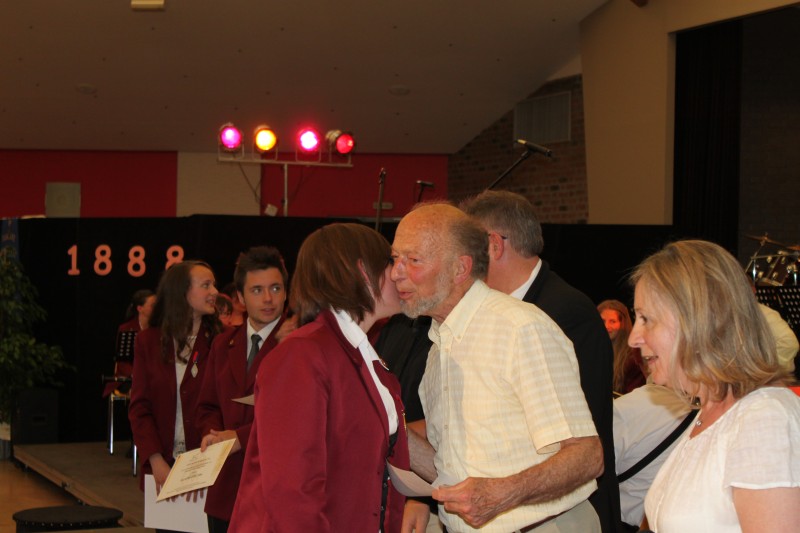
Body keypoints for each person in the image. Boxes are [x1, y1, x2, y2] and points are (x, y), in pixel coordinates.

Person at [392, 203, 602, 532]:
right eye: (394, 259)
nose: (396, 273)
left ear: (460, 268)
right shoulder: (438, 349)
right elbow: (453, 472)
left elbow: (587, 455)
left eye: (412, 260)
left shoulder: (519, 329)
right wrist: (391, 430)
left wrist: (501, 493)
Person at [228, 223, 410, 533]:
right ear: (363, 272)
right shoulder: (303, 354)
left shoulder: (359, 353)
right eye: (390, 263)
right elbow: (292, 493)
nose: (399, 273)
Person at [461, 190, 620, 532]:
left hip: (566, 514)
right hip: (522, 507)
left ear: (493, 245)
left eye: (469, 248)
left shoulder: (565, 311)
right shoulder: (502, 310)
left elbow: (582, 437)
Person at [628, 239, 800, 532]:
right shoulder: (710, 412)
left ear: (699, 320)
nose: (634, 338)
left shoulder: (764, 418)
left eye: (646, 319)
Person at [196, 246, 288, 533]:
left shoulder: (298, 343)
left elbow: (293, 417)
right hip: (225, 486)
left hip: (272, 487)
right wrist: (213, 435)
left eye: (275, 288)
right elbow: (207, 405)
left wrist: (239, 437)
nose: (268, 298)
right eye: (257, 290)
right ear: (240, 297)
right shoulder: (223, 344)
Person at [128, 260, 222, 494]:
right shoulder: (148, 342)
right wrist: (155, 458)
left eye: (214, 285)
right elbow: (140, 407)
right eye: (206, 285)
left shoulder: (222, 341)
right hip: (162, 468)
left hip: (209, 467)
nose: (215, 292)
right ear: (182, 291)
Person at [612, 346, 692, 531]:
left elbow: (591, 471)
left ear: (641, 364)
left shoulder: (628, 409)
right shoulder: (708, 409)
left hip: (626, 523)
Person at [103, 289, 156, 398]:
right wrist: (138, 375)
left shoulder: (158, 329)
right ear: (140, 308)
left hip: (152, 376)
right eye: (152, 305)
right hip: (130, 377)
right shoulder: (126, 328)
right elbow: (122, 363)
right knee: (141, 389)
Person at [597, 299, 647, 395]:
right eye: (602, 321)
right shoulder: (594, 349)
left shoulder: (633, 356)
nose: (606, 326)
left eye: (612, 321)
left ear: (622, 324)